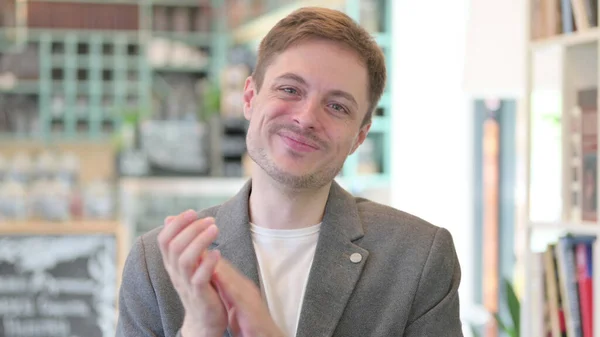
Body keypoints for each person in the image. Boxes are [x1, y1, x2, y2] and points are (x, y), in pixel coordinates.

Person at [115, 6, 463, 337]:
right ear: (249, 98)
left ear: (359, 137)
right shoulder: (158, 265)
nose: (307, 118)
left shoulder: (418, 257)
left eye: (338, 106)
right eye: (290, 89)